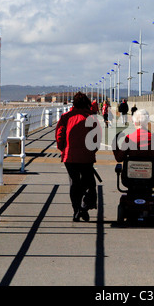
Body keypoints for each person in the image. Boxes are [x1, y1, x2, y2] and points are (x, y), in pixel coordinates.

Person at [55, 92, 101, 222]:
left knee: (74, 184)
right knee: (88, 183)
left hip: (69, 156)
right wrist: (93, 151)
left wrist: (63, 149)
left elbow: (59, 136)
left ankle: (76, 210)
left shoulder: (65, 117)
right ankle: (84, 207)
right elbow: (96, 138)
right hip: (87, 156)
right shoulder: (91, 118)